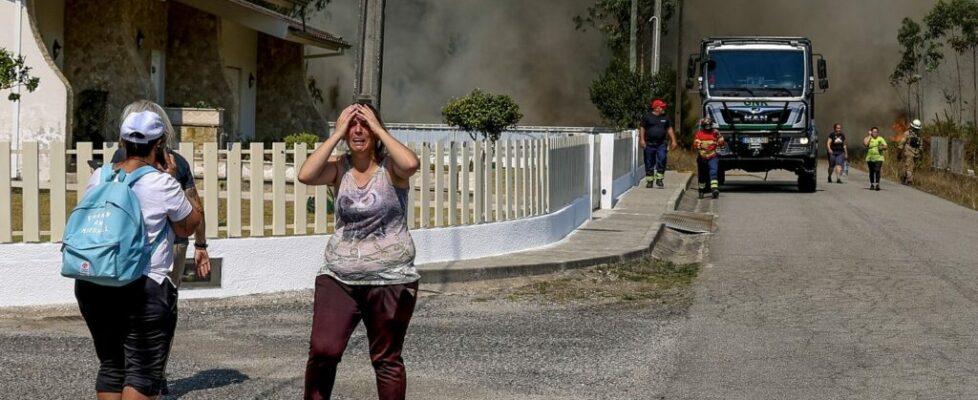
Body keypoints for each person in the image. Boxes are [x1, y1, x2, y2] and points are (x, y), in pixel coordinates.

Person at [74, 108, 203, 399]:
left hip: (93, 281)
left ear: (122, 141)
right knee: (142, 374)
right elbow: (188, 226)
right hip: (142, 286)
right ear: (159, 144)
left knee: (111, 366)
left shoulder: (99, 177)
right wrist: (173, 179)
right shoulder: (162, 183)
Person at [297, 103, 421, 400]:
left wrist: (378, 128)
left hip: (391, 277)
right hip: (339, 275)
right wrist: (335, 133)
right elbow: (305, 175)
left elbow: (411, 165)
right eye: (351, 124)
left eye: (364, 124)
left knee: (386, 359)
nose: (357, 130)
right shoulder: (339, 168)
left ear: (376, 131)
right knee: (323, 351)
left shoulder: (391, 168)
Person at [111, 100, 211, 286]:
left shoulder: (120, 159)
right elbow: (196, 208)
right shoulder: (177, 161)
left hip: (130, 240)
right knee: (165, 300)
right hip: (174, 243)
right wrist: (201, 245)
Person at [639, 99, 679, 188]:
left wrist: (674, 141)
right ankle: (649, 181)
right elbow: (642, 128)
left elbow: (669, 129)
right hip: (649, 144)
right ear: (656, 108)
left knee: (662, 158)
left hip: (661, 143)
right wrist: (642, 140)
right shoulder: (647, 117)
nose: (663, 108)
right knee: (649, 162)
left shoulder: (665, 117)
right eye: (662, 107)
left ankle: (659, 179)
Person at [693, 117, 725, 199]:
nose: (708, 127)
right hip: (702, 157)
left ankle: (714, 189)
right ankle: (701, 190)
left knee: (713, 171)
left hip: (712, 156)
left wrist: (720, 140)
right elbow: (696, 144)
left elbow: (721, 142)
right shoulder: (699, 134)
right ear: (703, 126)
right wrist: (699, 146)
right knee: (702, 175)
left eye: (709, 125)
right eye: (706, 125)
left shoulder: (715, 133)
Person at [898, 118, 924, 185]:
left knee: (909, 167)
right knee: (912, 167)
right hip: (916, 153)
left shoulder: (907, 133)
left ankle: (909, 180)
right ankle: (906, 178)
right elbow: (921, 146)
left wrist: (899, 151)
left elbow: (902, 142)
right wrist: (921, 155)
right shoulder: (919, 136)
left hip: (908, 152)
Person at [863, 126, 888, 191]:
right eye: (874, 132)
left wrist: (882, 148)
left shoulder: (880, 139)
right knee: (871, 171)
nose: (875, 133)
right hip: (870, 158)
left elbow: (886, 146)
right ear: (871, 132)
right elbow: (865, 144)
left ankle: (877, 184)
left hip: (879, 157)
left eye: (876, 132)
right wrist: (869, 136)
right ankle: (872, 184)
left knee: (877, 170)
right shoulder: (867, 138)